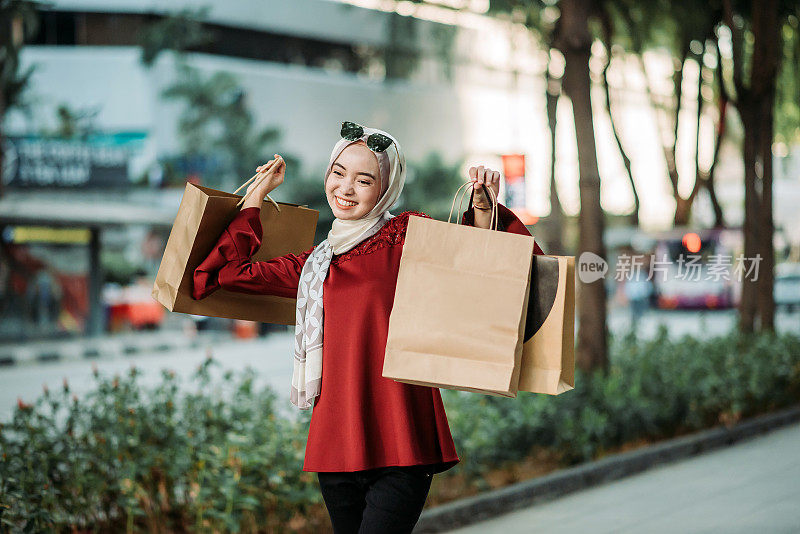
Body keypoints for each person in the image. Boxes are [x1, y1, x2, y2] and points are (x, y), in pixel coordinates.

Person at [191, 121, 545, 533]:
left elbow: (481, 268)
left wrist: (484, 210)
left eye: (364, 180)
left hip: (402, 435)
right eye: (338, 173)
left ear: (386, 188)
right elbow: (220, 274)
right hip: (337, 440)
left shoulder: (408, 235)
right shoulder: (314, 266)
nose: (346, 188)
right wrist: (256, 195)